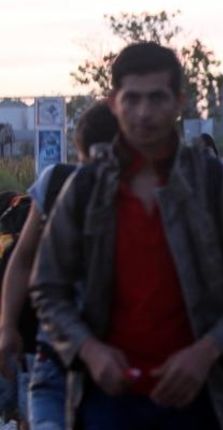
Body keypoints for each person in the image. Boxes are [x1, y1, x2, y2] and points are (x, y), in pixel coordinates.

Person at [29, 42, 223, 430]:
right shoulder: (84, 189)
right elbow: (47, 287)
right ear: (114, 101)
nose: (144, 113)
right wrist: (89, 349)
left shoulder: (214, 184)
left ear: (179, 101)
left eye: (157, 98)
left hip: (201, 400)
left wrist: (208, 351)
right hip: (106, 403)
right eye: (132, 98)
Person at [0, 101, 117, 430]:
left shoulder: (149, 194)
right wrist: (8, 326)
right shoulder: (55, 183)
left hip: (112, 359)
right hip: (56, 355)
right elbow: (22, 259)